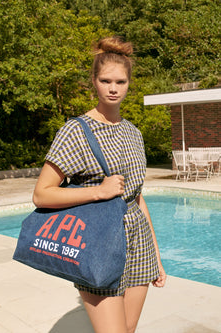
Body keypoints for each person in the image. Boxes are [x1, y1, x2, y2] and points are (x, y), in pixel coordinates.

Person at [33, 36, 166, 333]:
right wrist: (99, 191)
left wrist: (156, 255)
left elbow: (137, 197)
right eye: (106, 80)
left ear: (130, 83)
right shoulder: (75, 131)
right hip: (98, 244)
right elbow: (41, 195)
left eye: (121, 81)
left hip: (139, 242)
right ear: (93, 81)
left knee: (128, 329)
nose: (113, 88)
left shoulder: (134, 132)